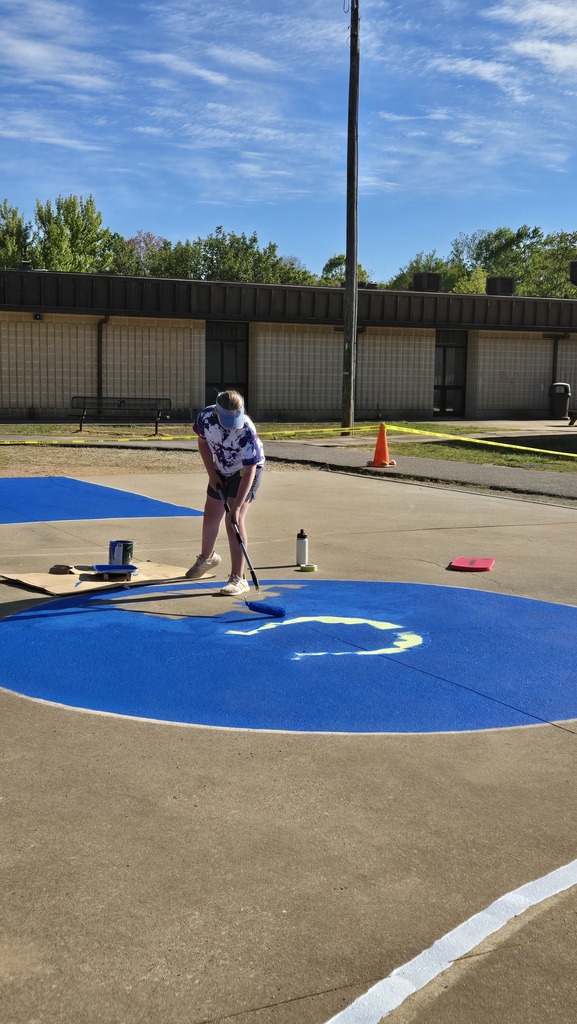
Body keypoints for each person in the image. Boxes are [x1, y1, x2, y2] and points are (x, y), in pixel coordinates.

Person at [186, 390, 265, 595]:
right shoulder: (206, 418)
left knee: (234, 521)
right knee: (211, 513)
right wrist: (212, 474)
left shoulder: (247, 430)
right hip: (220, 468)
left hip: (245, 471)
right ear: (217, 413)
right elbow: (203, 443)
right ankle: (207, 558)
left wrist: (237, 506)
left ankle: (239, 578)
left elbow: (250, 469)